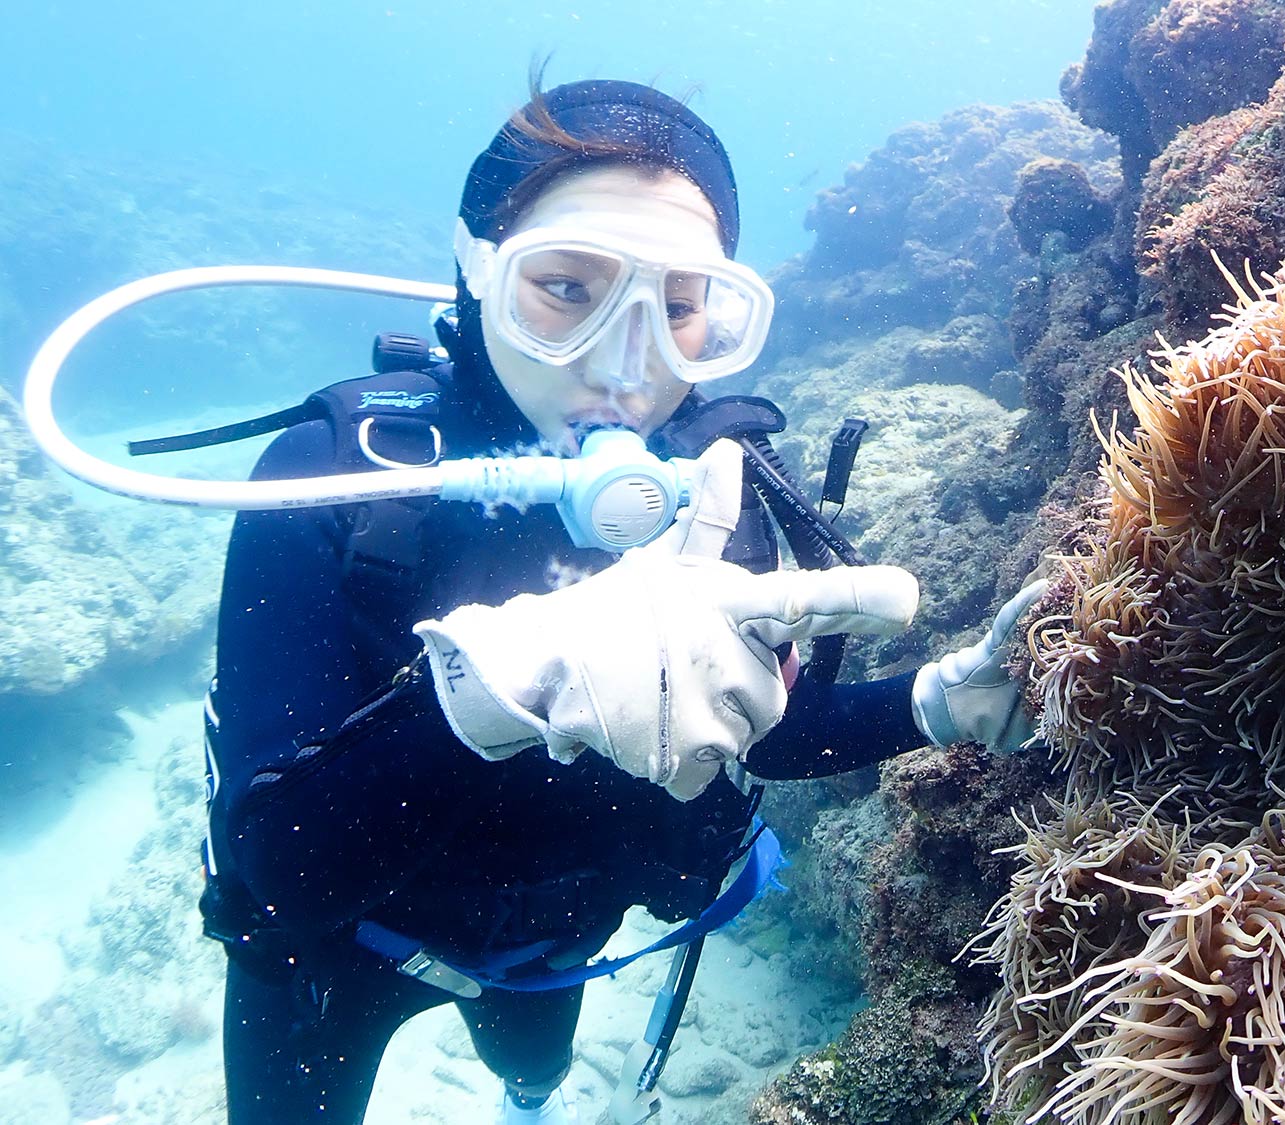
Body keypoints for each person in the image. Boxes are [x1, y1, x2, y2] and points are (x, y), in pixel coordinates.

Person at [201, 78, 1041, 1124]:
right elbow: (276, 877)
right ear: (478, 278)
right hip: (339, 957)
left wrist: (935, 703)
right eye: (564, 289)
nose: (622, 360)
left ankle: (526, 1100)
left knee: (532, 1072)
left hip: (552, 948)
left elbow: (757, 732)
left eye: (677, 307)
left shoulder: (717, 495)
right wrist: (490, 692)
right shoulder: (335, 483)